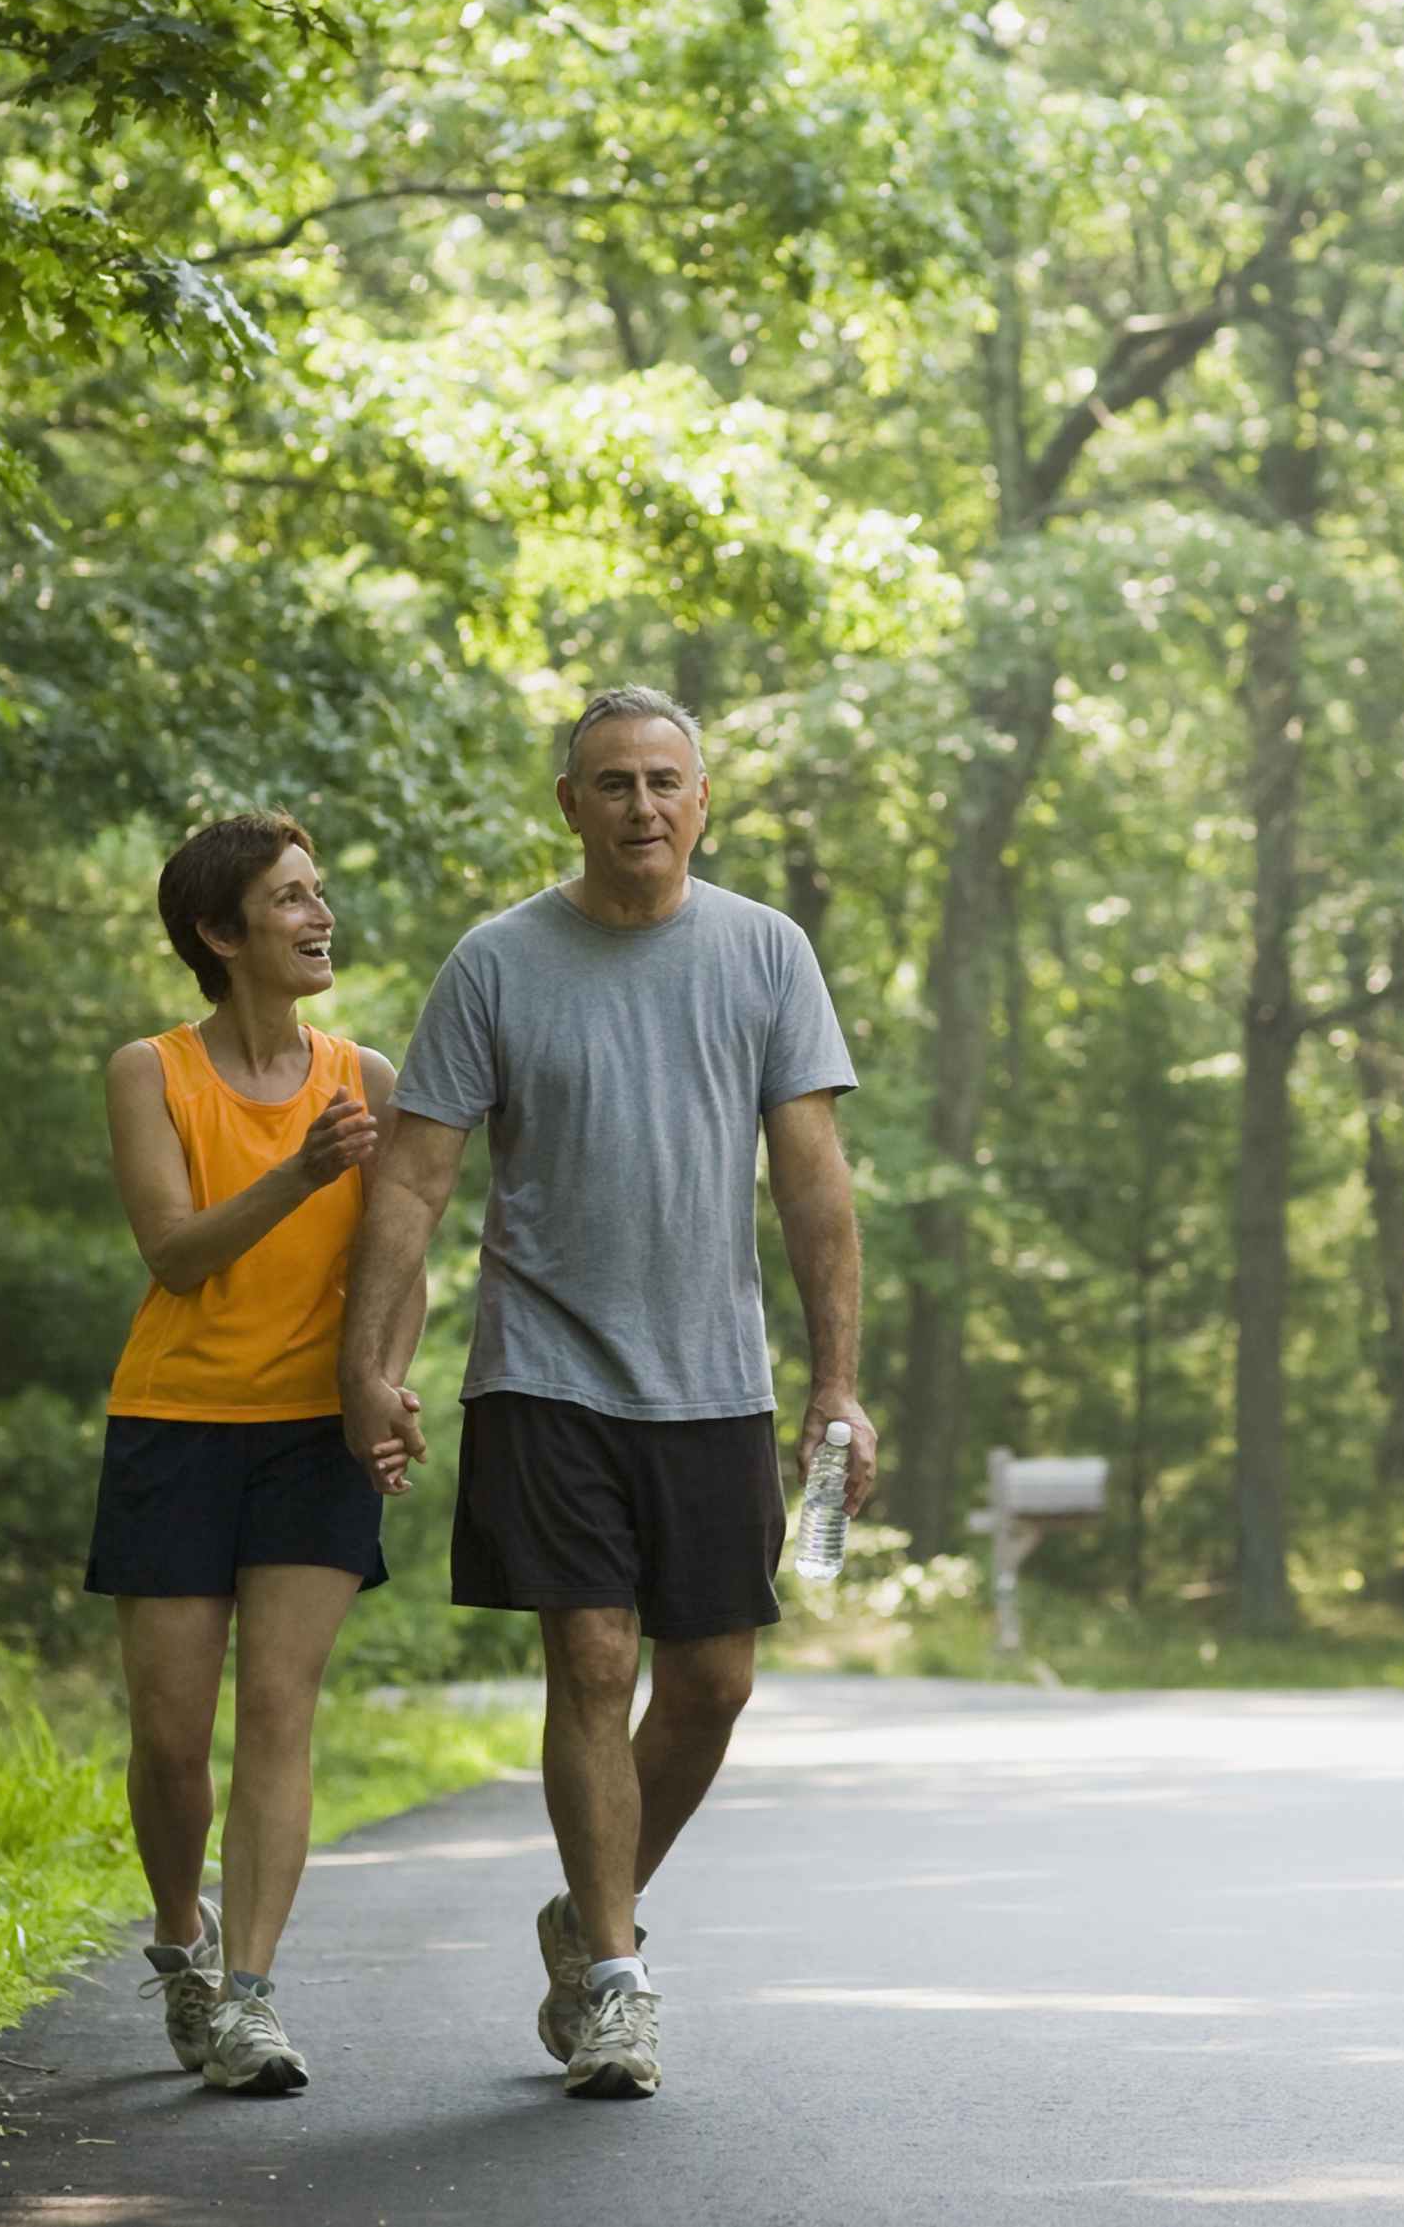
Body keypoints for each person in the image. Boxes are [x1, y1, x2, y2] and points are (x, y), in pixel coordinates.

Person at [337, 685, 872, 2103]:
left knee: (713, 1683)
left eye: (664, 781)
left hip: (711, 1382)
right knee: (591, 1658)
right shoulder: (498, 963)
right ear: (568, 805)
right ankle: (619, 1988)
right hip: (545, 1369)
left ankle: (586, 1916)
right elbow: (415, 1178)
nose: (641, 805)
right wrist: (368, 1362)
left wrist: (839, 1388)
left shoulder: (765, 953)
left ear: (702, 801)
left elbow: (813, 1185)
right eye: (612, 783)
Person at [93, 813, 426, 2096]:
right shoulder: (150, 1071)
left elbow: (404, 1270)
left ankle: (251, 1999)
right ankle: (181, 1940)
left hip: (314, 1437)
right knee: (173, 1734)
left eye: (318, 892)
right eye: (289, 899)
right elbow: (173, 1254)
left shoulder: (372, 1079)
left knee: (278, 1712)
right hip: (175, 1425)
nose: (317, 915)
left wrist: (381, 1386)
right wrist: (296, 1174)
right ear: (219, 934)